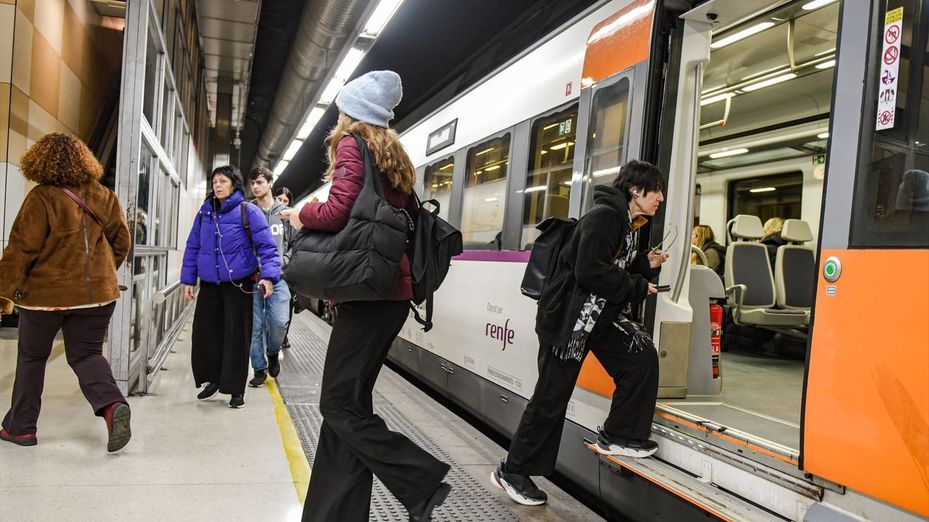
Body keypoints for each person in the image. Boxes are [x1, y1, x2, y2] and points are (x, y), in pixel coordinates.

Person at [281, 70, 451, 522]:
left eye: (340, 108)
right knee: (350, 406)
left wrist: (301, 215)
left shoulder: (352, 144)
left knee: (336, 404)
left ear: (351, 112)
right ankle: (333, 513)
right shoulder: (390, 154)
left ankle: (421, 480)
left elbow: (338, 210)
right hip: (388, 296)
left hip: (370, 297)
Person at [491, 160, 670, 506]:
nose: (661, 197)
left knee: (640, 357)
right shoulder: (606, 218)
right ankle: (512, 471)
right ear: (635, 190)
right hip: (568, 322)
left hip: (595, 318)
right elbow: (590, 271)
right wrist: (635, 285)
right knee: (550, 399)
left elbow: (609, 265)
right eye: (656, 190)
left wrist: (643, 266)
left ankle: (619, 434)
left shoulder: (627, 222)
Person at [0, 133, 132, 452]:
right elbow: (122, 242)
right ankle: (113, 406)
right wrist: (98, 275)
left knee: (32, 358)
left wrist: (3, 294)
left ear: (40, 162)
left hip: (47, 297)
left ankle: (20, 429)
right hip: (98, 297)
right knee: (87, 355)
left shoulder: (41, 198)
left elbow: (21, 250)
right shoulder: (105, 196)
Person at [181, 165, 281, 409]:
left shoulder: (248, 211)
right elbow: (193, 246)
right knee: (206, 334)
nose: (217, 185)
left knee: (237, 336)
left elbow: (268, 247)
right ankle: (213, 380)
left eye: (222, 181)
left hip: (239, 285)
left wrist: (268, 276)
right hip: (210, 285)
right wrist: (188, 279)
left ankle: (236, 389)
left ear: (234, 185)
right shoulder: (205, 212)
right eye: (215, 181)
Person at [247, 167, 292, 387]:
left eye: (259, 182)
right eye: (252, 183)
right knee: (254, 326)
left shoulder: (284, 214)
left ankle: (272, 351)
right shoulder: (246, 213)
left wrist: (284, 261)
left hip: (279, 278)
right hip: (252, 279)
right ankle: (259, 368)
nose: (255, 187)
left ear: (270, 183)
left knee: (279, 322)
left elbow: (295, 245)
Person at [273, 185, 297, 350]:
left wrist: (285, 260)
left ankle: (283, 336)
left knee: (287, 306)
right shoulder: (268, 217)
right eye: (279, 199)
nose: (282, 203)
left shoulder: (293, 222)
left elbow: (295, 245)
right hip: (270, 271)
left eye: (285, 201)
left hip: (287, 272)